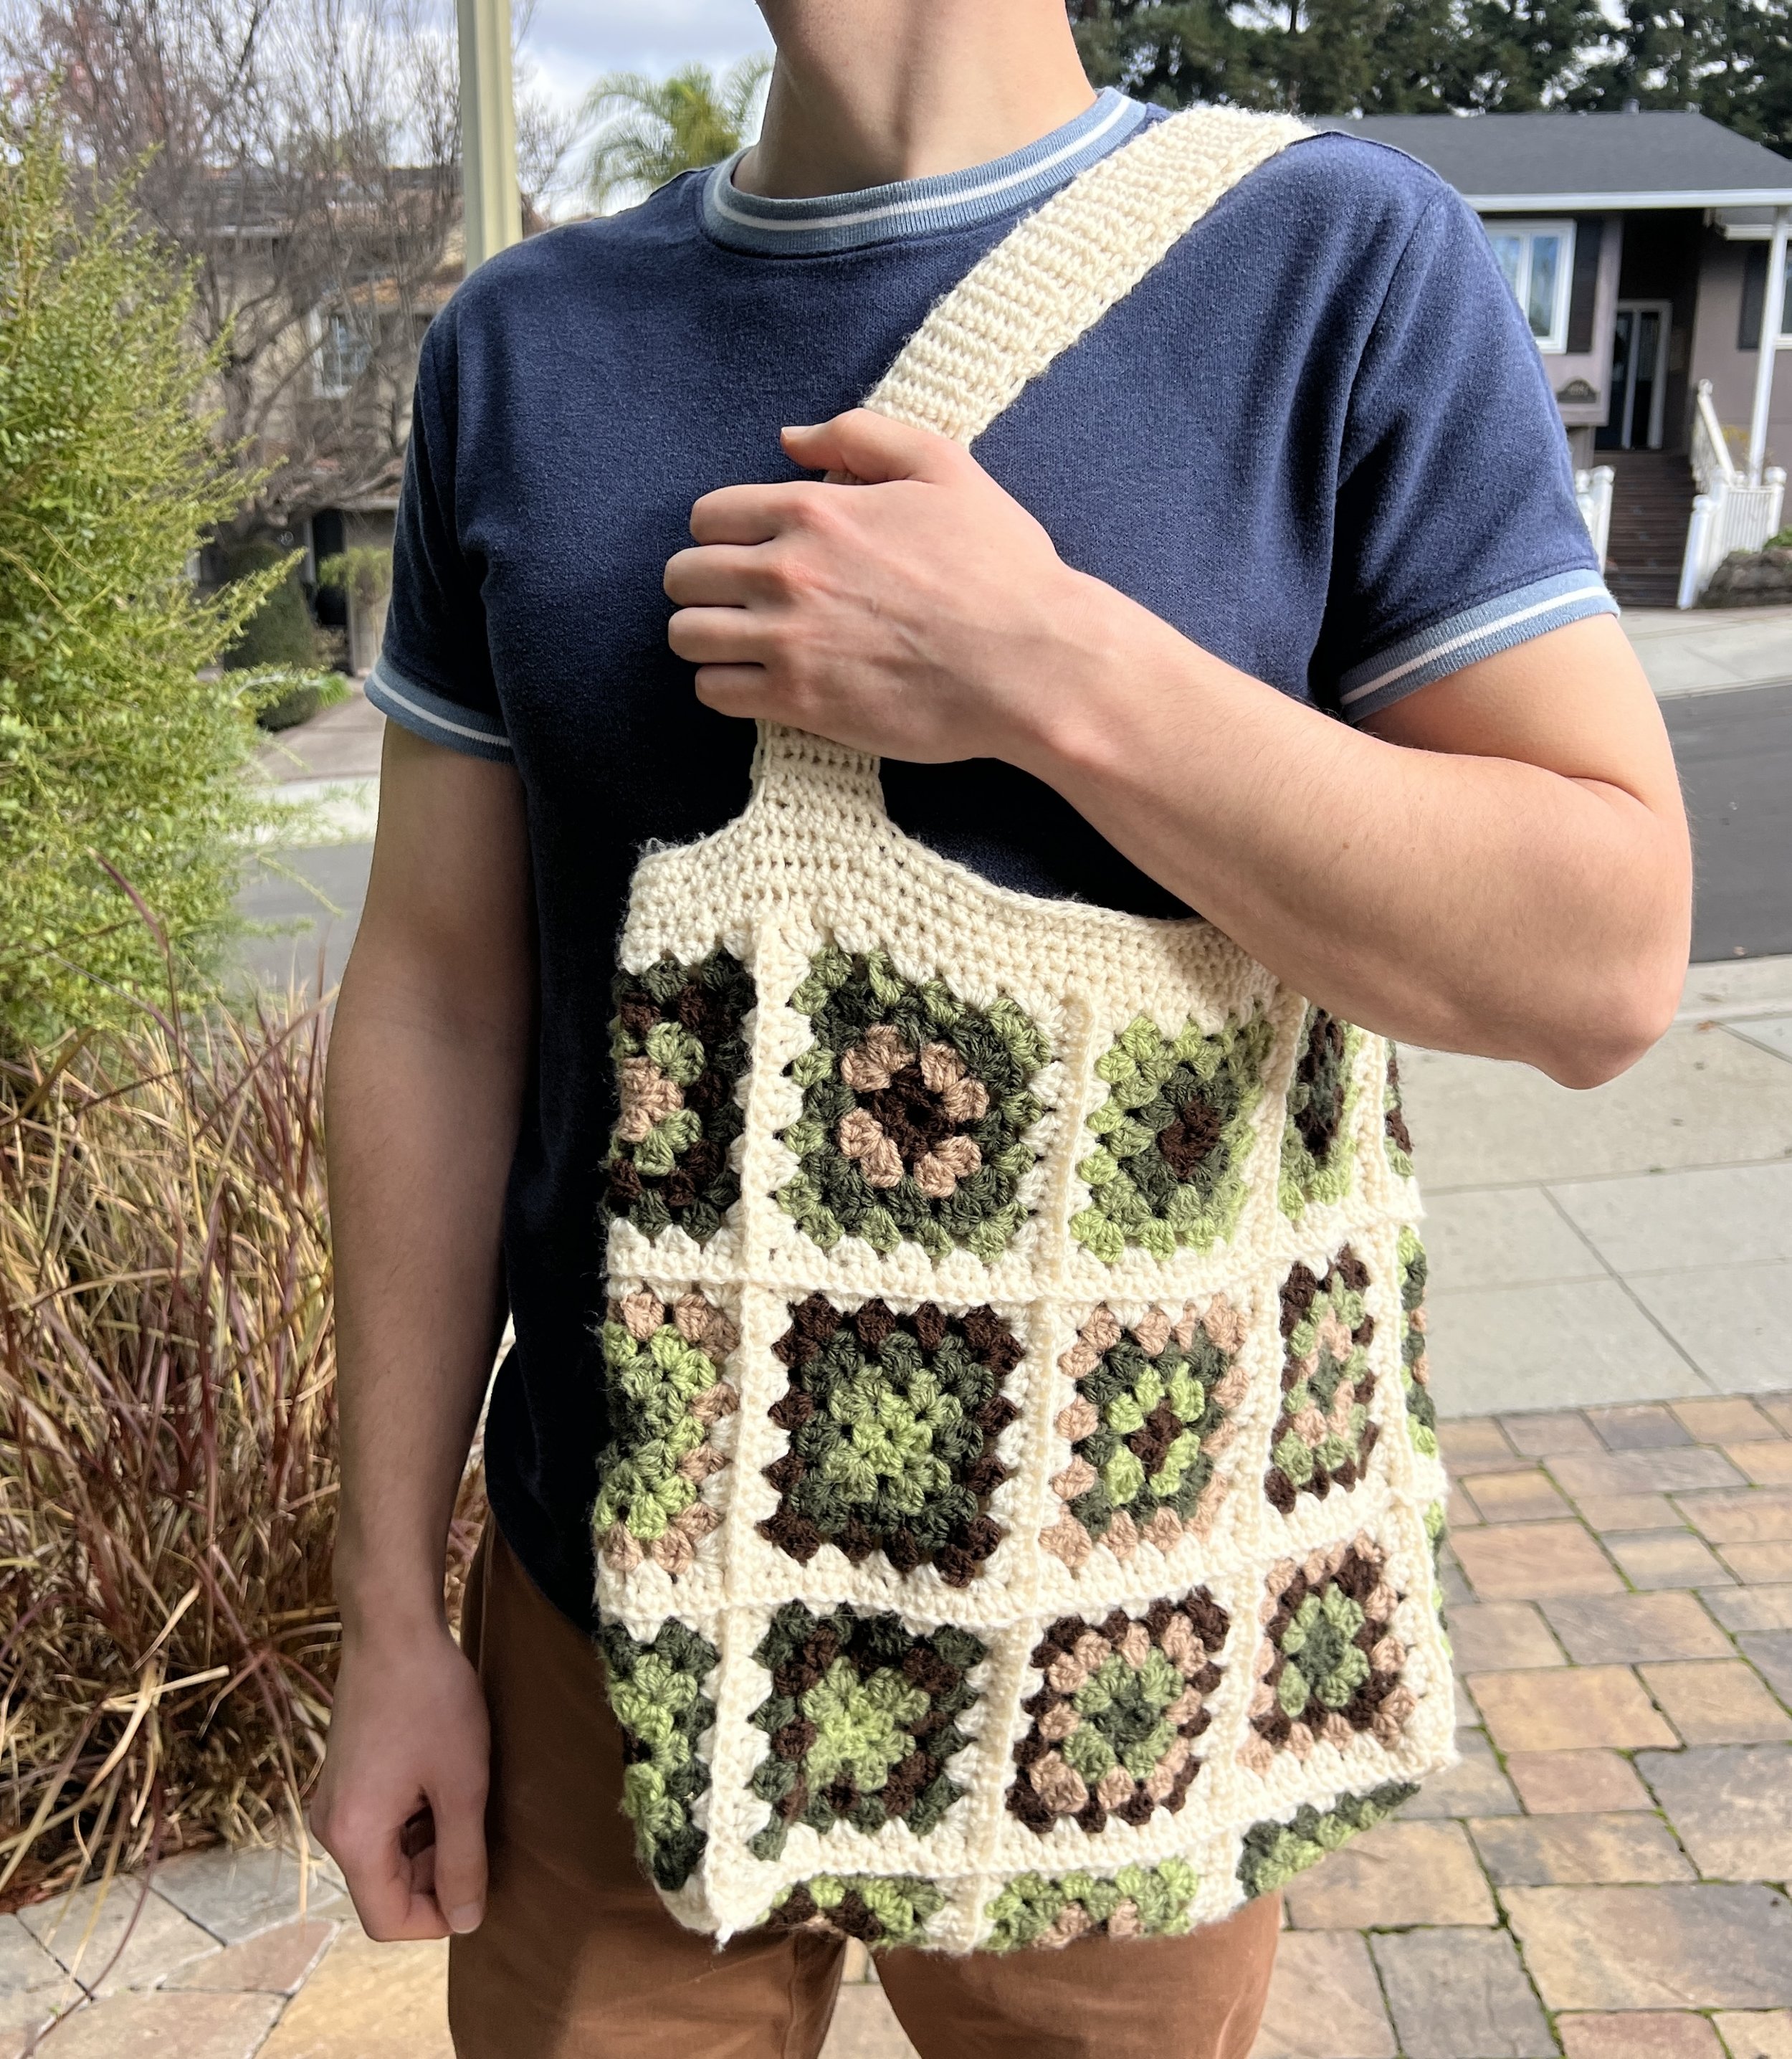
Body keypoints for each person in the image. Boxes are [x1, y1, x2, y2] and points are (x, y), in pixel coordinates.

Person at [310, 3, 1692, 2054]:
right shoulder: (528, 345)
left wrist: (1046, 666)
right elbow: (436, 1001)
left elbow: (1597, 958)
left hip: (1121, 1638)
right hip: (597, 1620)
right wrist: (389, 1621)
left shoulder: (1330, 266)